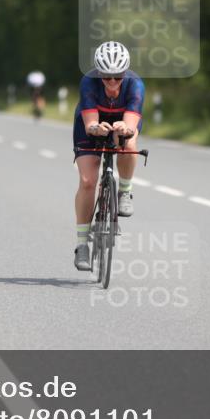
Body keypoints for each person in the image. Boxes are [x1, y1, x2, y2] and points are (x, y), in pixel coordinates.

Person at [73, 41, 144, 271]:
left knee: (128, 142)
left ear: (125, 73)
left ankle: (125, 191)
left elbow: (132, 123)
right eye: (106, 77)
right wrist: (96, 128)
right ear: (98, 73)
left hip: (122, 120)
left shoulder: (135, 84)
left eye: (118, 77)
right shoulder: (88, 82)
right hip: (92, 122)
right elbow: (90, 122)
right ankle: (82, 245)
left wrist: (124, 128)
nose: (112, 82)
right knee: (87, 181)